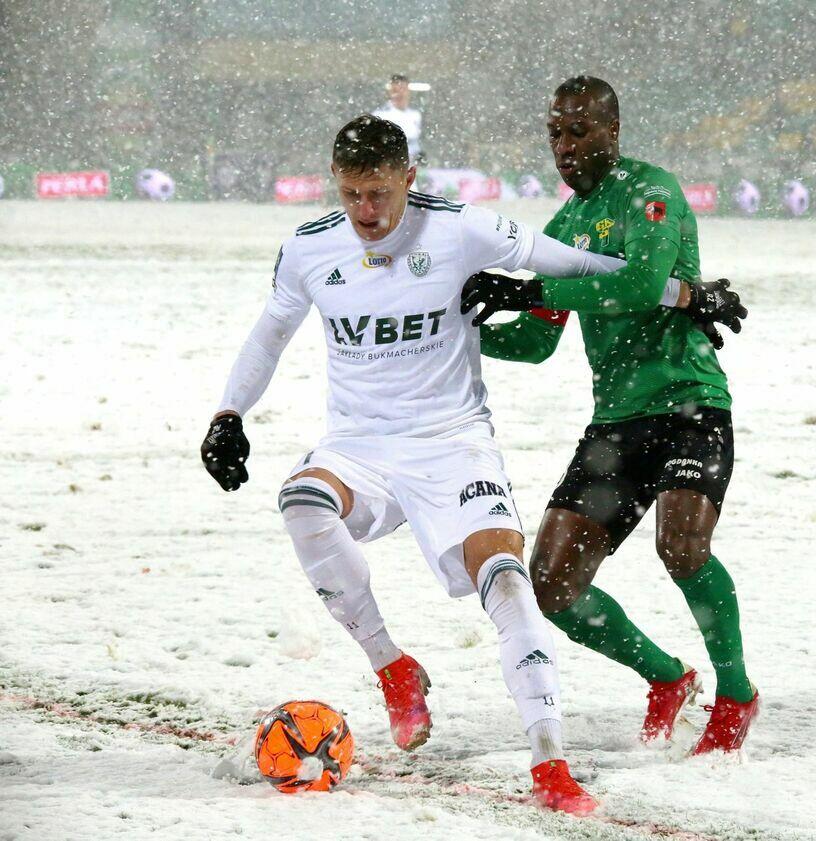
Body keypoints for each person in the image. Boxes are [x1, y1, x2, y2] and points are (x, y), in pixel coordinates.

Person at [195, 114, 694, 814]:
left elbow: (575, 265)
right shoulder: (309, 248)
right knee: (302, 502)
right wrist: (228, 414)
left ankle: (550, 764)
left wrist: (685, 293)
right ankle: (392, 667)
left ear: (409, 177)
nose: (366, 212)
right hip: (360, 444)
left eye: (379, 193)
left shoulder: (464, 229)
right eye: (350, 194)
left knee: (510, 583)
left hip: (454, 443)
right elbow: (270, 333)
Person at [461, 76, 758, 754]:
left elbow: (642, 284)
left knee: (681, 546)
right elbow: (536, 343)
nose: (565, 146)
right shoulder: (564, 226)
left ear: (612, 130)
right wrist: (459, 334)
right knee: (552, 584)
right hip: (617, 421)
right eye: (556, 134)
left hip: (689, 402)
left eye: (579, 130)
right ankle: (667, 677)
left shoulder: (652, 191)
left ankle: (737, 693)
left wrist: (530, 288)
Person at [373, 74, 424, 165]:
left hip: (411, 165)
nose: (400, 94)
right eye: (395, 90)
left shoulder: (415, 115)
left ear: (408, 92)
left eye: (403, 90)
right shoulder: (379, 115)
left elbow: (416, 143)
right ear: (390, 92)